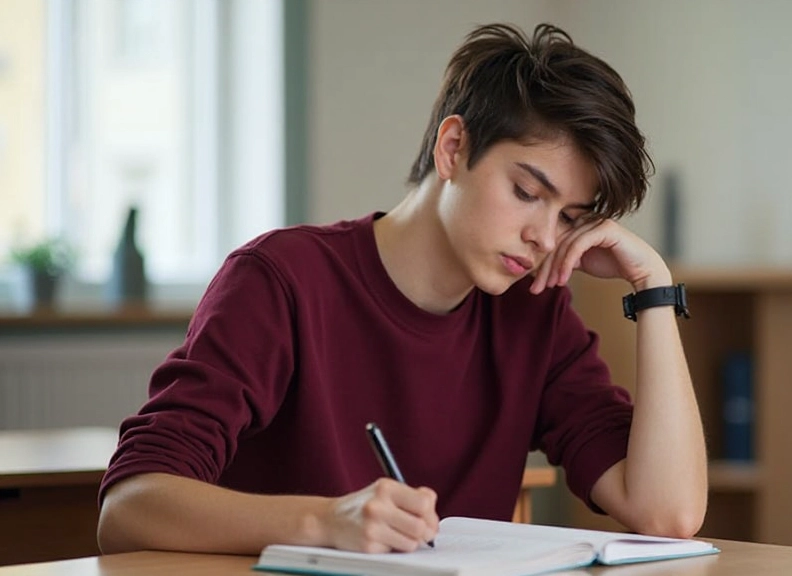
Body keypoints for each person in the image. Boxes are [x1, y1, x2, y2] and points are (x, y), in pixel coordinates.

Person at [97, 22, 707, 555]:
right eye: (527, 193)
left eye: (571, 218)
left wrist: (652, 287)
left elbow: (668, 514)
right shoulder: (282, 280)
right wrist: (324, 521)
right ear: (452, 147)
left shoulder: (534, 314)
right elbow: (128, 508)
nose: (545, 238)